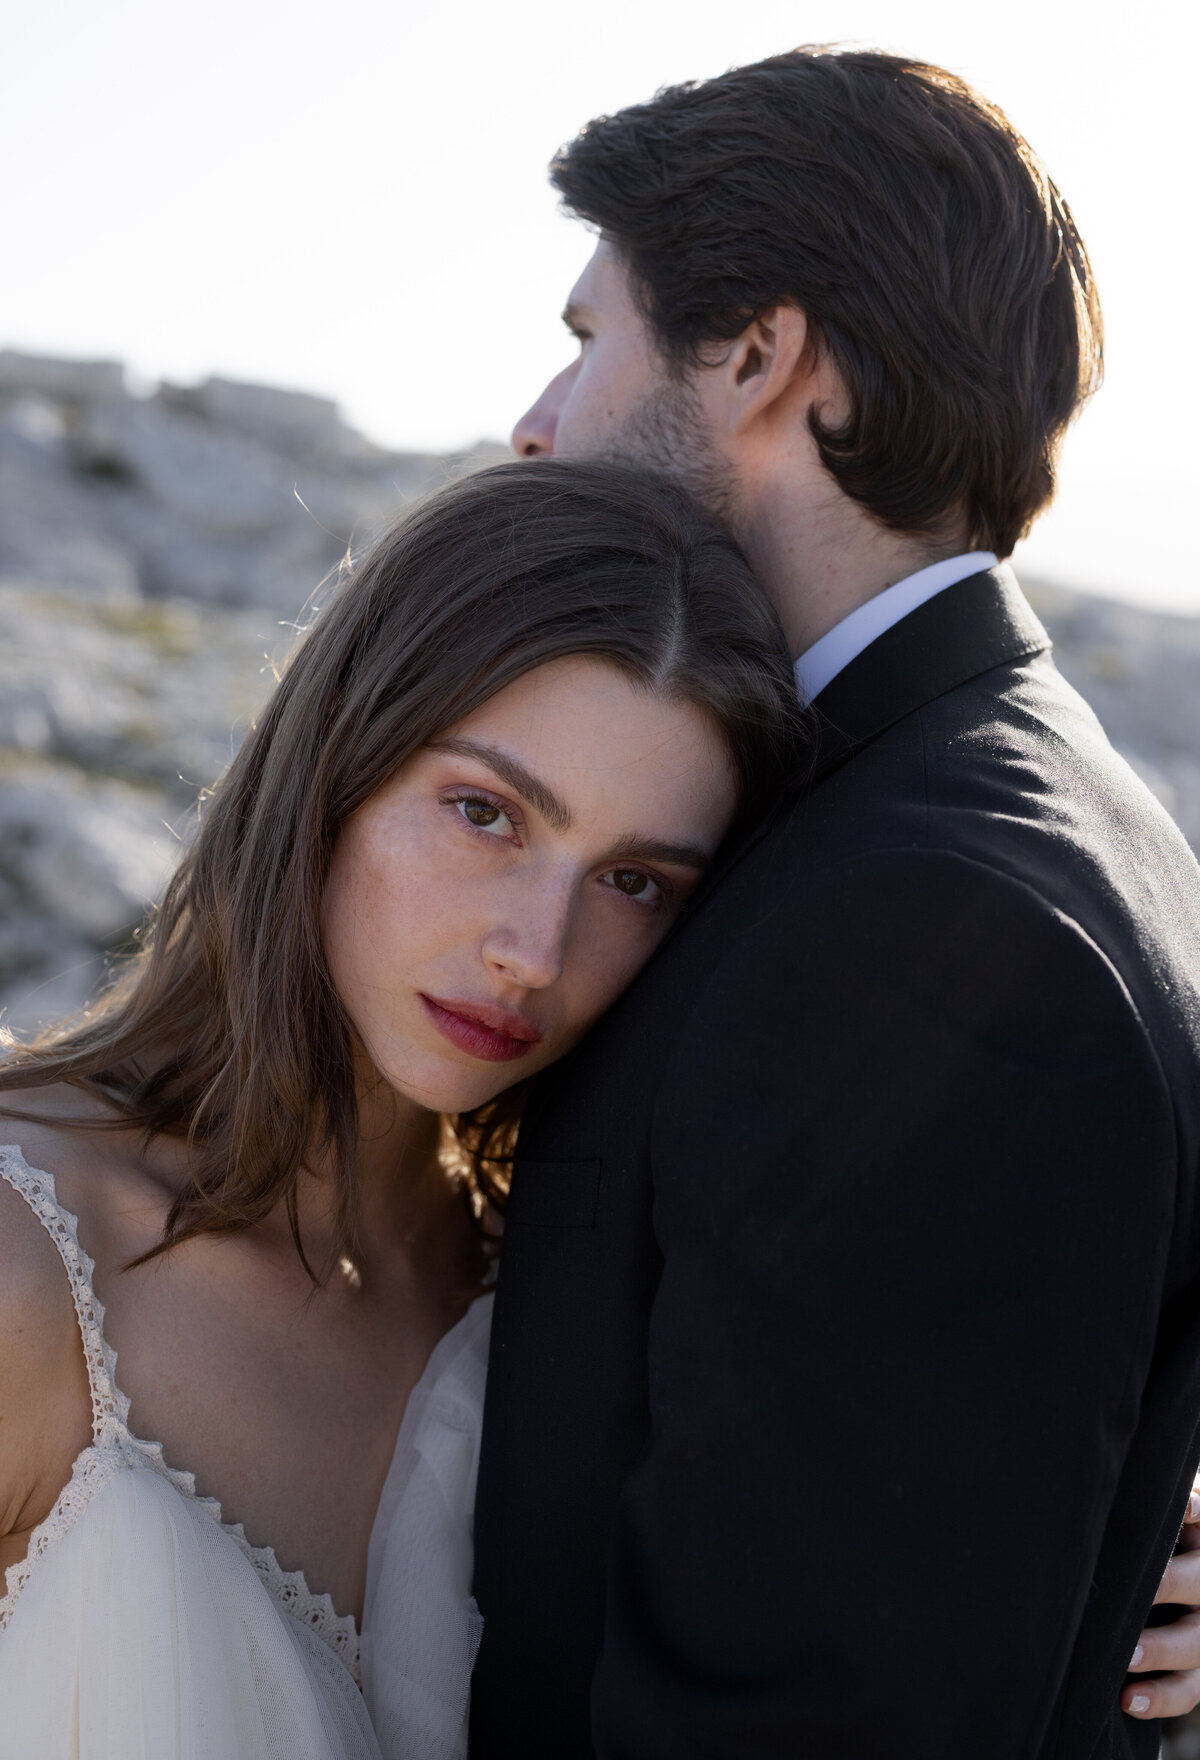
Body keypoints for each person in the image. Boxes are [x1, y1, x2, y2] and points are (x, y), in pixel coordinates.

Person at [469, 48, 1200, 1756]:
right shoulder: (1010, 810)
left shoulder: (932, 934)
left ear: (758, 355)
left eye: (590, 342)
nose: (537, 422)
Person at [0, 459, 806, 1759]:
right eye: (484, 812)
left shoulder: (569, 1312)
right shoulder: (22, 1267)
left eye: (636, 882)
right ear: (337, 761)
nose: (535, 951)